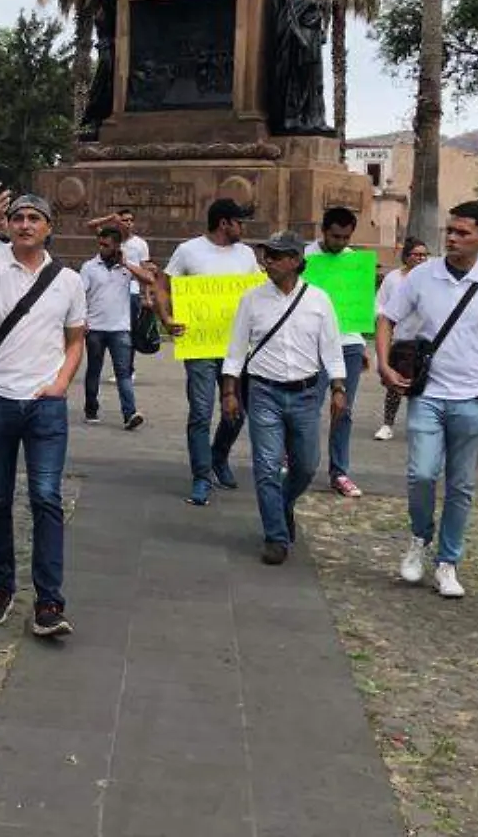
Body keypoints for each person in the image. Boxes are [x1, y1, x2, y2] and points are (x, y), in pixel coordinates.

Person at [376, 202, 478, 599]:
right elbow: (386, 318)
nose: (453, 238)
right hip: (428, 392)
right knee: (422, 473)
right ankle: (419, 538)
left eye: (462, 232)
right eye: (450, 231)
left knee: (461, 484)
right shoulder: (423, 276)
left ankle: (448, 560)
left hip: (475, 395)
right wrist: (383, 364)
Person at [0, 186, 86, 638]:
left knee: (46, 498)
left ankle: (49, 601)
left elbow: (76, 340)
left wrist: (61, 383)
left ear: (49, 227)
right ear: (7, 226)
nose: (26, 224)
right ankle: (0, 586)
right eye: (18, 218)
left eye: (35, 218)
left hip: (43, 405)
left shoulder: (68, 281)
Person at [220, 231, 347, 565]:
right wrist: (230, 391)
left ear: (295, 261)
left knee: (306, 465)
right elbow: (235, 350)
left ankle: (283, 502)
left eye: (276, 256)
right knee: (266, 466)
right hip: (263, 392)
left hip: (306, 393)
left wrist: (338, 388)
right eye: (267, 255)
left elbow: (331, 350)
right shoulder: (252, 299)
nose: (268, 262)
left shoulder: (319, 300)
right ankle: (276, 536)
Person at [156, 199, 261, 505]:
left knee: (237, 411)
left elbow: (258, 290)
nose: (244, 228)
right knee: (201, 412)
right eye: (240, 222)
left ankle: (219, 455)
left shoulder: (247, 254)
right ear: (224, 223)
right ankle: (201, 476)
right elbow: (163, 285)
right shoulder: (189, 251)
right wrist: (166, 317)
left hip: (238, 347)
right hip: (201, 345)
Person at [304, 206, 369, 498]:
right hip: (313, 344)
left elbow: (363, 309)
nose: (341, 242)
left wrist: (364, 346)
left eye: (346, 237)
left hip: (349, 343)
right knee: (309, 407)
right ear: (323, 230)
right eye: (335, 236)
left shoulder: (355, 262)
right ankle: (300, 460)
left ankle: (339, 471)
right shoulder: (304, 258)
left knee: (343, 410)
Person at [80, 225, 145, 430]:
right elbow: (80, 295)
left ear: (117, 245)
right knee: (94, 370)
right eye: (100, 244)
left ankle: (129, 413)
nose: (102, 248)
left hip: (120, 328)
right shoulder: (90, 266)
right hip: (96, 328)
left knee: (123, 373)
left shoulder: (127, 267)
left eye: (106, 245)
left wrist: (127, 264)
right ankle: (91, 408)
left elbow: (150, 279)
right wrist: (82, 320)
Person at [373, 238, 429, 441]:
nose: (420, 258)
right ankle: (387, 424)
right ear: (406, 256)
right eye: (416, 254)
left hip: (425, 340)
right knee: (396, 385)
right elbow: (380, 305)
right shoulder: (393, 279)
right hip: (402, 339)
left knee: (423, 386)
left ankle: (421, 426)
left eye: (424, 255)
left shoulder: (432, 279)